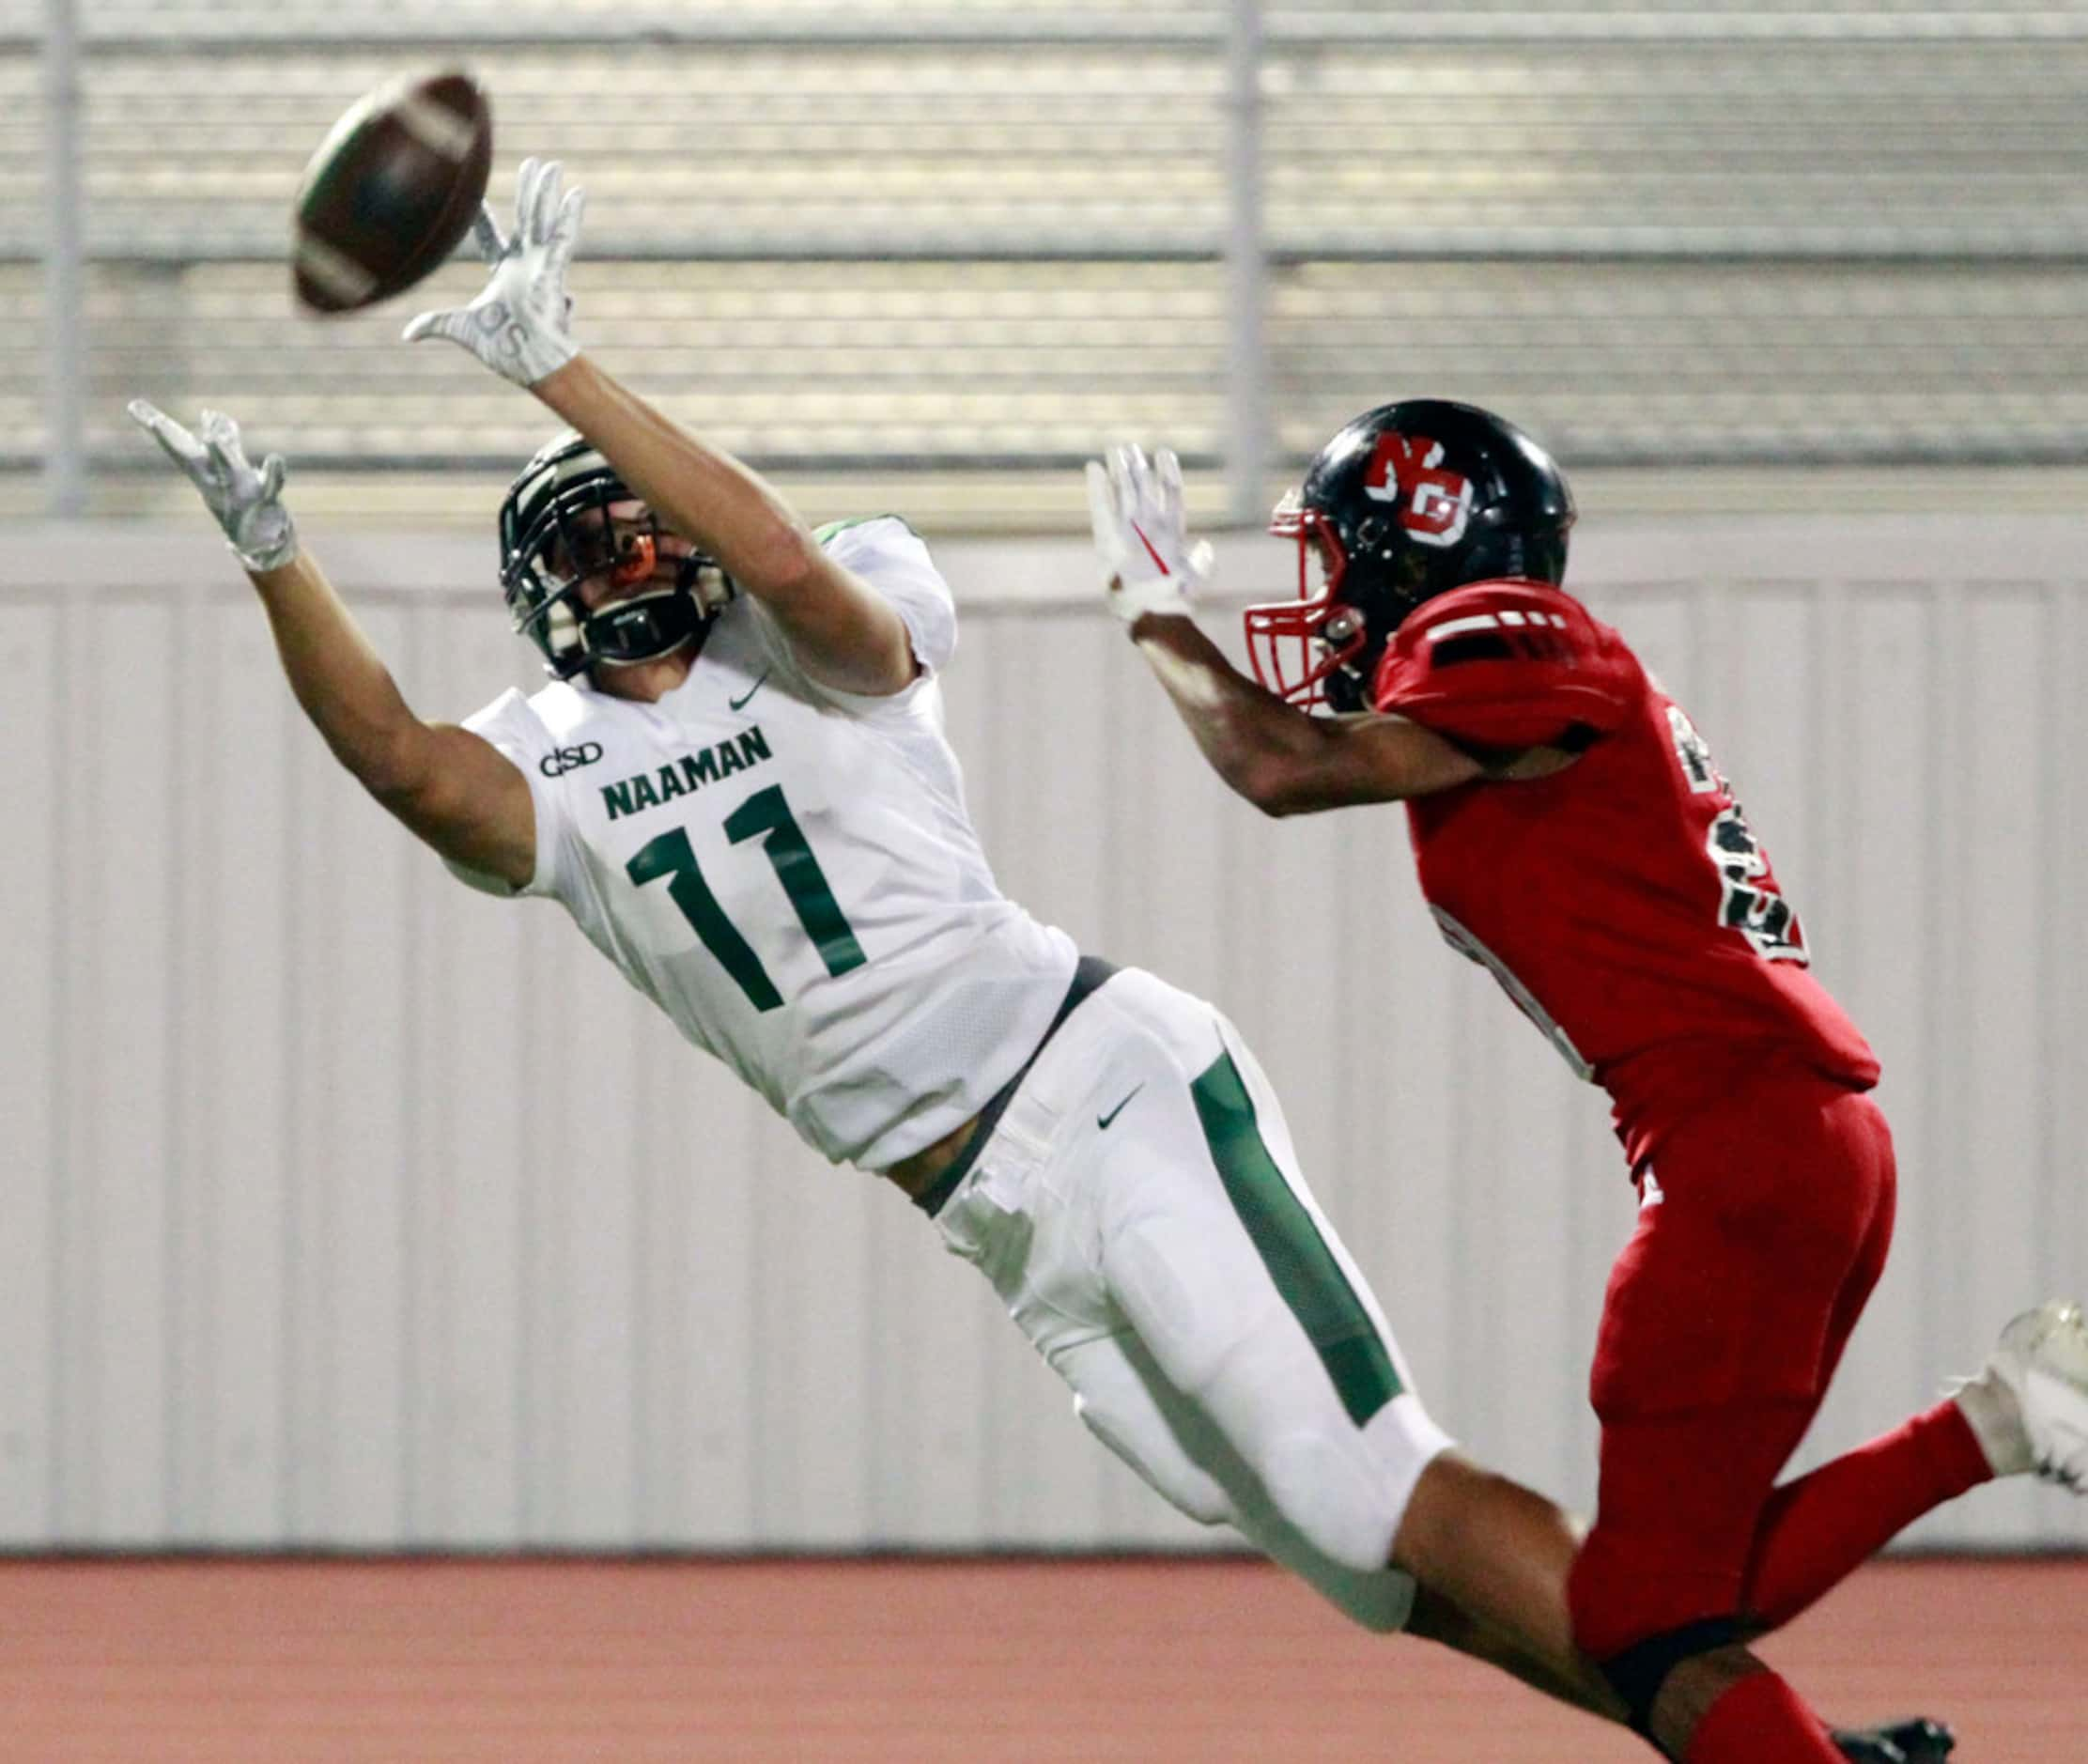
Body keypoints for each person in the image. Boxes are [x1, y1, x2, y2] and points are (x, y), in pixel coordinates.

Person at [131, 159, 1934, 1762]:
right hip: (984, 1210)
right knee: (1383, 1584)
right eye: (579, 530)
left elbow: (811, 585)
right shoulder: (547, 762)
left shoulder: (821, 602)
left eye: (631, 505)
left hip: (1095, 1091)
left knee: (1364, 1478)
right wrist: (279, 557)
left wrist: (564, 372)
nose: (620, 543)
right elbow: (395, 758)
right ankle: (1781, 1743)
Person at [1088, 414, 2088, 1762]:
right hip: (1783, 1139)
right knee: (1685, 1589)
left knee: (1637, 1620)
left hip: (1737, 1145)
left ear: (1422, 547)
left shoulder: (1504, 626)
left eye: (1338, 559)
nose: (1322, 599)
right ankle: (1996, 1419)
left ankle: (1995, 1428)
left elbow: (1283, 765)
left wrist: (1156, 618)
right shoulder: (1511, 668)